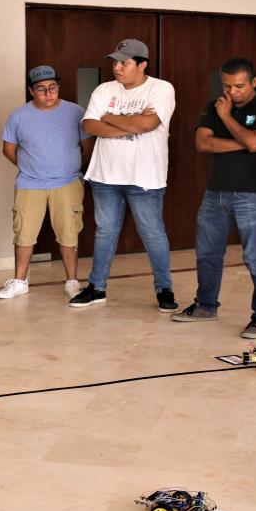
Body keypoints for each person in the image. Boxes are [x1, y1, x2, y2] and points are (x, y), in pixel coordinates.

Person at [170, 58, 256, 339]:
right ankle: (206, 305)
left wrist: (227, 118)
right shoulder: (213, 105)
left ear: (254, 82)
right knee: (207, 254)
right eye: (227, 86)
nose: (232, 92)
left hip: (252, 196)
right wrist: (247, 143)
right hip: (215, 194)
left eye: (239, 86)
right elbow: (202, 143)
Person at [70, 39, 178, 312]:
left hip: (145, 176)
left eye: (124, 63)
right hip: (105, 174)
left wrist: (110, 117)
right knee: (105, 232)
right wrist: (127, 125)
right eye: (115, 62)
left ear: (142, 64)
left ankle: (164, 289)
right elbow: (90, 124)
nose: (117, 67)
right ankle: (97, 288)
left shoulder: (161, 88)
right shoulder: (105, 89)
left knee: (152, 233)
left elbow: (149, 123)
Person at [0, 65, 93, 300]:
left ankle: (72, 282)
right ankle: (20, 282)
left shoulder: (75, 112)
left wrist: (74, 168)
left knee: (69, 233)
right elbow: (8, 149)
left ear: (58, 87)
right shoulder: (18, 116)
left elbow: (87, 146)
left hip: (67, 182)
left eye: (53, 88)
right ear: (31, 91)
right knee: (24, 234)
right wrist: (31, 167)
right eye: (41, 89)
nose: (48, 93)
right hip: (30, 184)